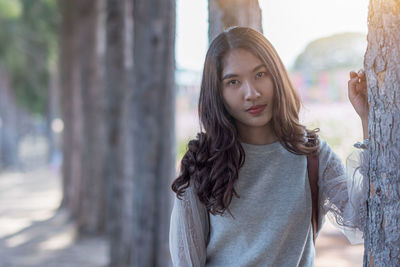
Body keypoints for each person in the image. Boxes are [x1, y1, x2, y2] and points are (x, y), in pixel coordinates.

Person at [169, 26, 369, 266]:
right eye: (233, 81)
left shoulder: (312, 156)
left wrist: (367, 118)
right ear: (218, 92)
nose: (251, 93)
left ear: (276, 75)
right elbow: (186, 261)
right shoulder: (203, 163)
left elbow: (363, 219)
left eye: (260, 75)